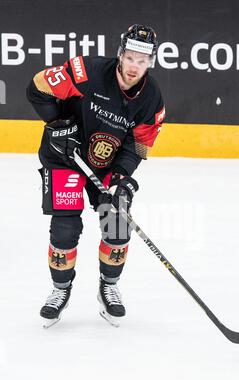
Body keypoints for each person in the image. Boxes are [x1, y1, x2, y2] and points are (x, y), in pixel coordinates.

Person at [26, 24, 165, 325]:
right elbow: (37, 86)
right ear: (120, 54)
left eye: (142, 61)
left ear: (151, 62)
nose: (134, 67)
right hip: (64, 158)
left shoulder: (151, 98)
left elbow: (139, 147)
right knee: (65, 226)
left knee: (116, 224)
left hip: (106, 167)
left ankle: (109, 287)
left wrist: (122, 178)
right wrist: (58, 122)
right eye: (130, 58)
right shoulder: (86, 72)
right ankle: (59, 290)